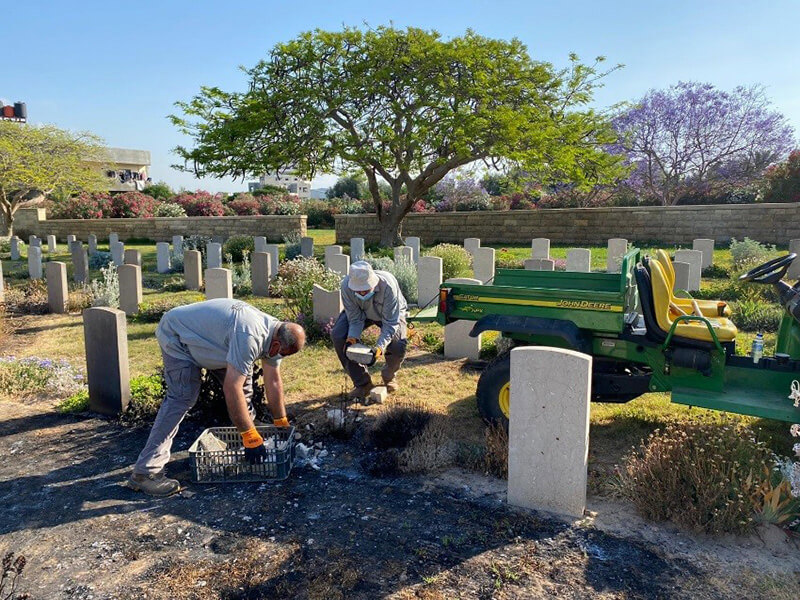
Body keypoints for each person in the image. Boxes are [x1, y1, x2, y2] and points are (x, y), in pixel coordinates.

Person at [129, 298, 306, 497]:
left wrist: (280, 422)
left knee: (244, 385)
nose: (279, 357)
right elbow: (232, 388)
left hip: (215, 341)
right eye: (281, 353)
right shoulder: (250, 336)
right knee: (182, 397)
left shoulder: (276, 331)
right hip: (179, 335)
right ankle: (145, 472)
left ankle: (247, 439)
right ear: (275, 345)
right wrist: (250, 436)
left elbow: (273, 382)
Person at [332, 261, 408, 398]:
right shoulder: (346, 286)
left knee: (398, 345)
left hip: (389, 315)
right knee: (339, 335)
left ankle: (389, 377)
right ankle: (363, 384)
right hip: (361, 313)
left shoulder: (388, 286)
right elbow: (355, 319)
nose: (361, 292)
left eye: (366, 289)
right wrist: (352, 338)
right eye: (358, 290)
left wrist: (379, 348)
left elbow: (390, 323)